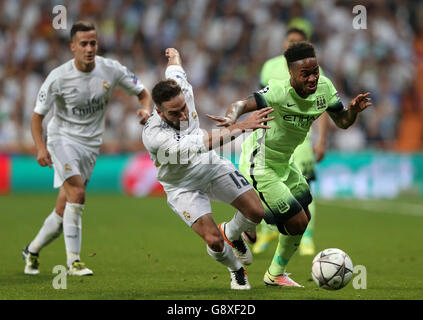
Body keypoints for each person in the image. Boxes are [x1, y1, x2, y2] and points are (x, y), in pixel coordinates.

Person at [208, 41, 372, 287]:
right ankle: (231, 232)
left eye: (315, 71)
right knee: (293, 220)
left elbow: (343, 122)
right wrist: (232, 116)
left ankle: (275, 275)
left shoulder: (325, 88)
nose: (312, 78)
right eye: (304, 74)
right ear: (291, 74)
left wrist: (353, 111)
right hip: (260, 162)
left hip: (285, 163)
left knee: (303, 219)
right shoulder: (278, 91)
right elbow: (242, 104)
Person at [22, 21, 153, 276]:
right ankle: (74, 262)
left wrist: (146, 110)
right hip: (61, 140)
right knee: (78, 194)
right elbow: (37, 117)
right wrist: (40, 148)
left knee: (63, 209)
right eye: (83, 43)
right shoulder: (58, 78)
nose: (89, 48)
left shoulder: (111, 69)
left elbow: (143, 92)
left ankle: (32, 249)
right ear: (73, 47)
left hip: (91, 146)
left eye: (93, 43)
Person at [142, 48, 274, 290]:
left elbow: (174, 67)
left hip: (211, 166)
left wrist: (174, 55)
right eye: (174, 112)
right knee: (213, 240)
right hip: (181, 185)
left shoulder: (181, 87)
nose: (183, 113)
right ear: (159, 112)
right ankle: (236, 270)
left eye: (184, 107)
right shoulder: (154, 136)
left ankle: (232, 233)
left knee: (257, 212)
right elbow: (202, 143)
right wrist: (243, 126)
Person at [251, 27, 329, 256]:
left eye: (298, 41)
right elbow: (260, 99)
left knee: (304, 186)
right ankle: (266, 231)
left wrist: (322, 138)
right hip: (271, 136)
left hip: (301, 137)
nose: (292, 44)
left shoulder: (314, 69)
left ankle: (306, 238)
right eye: (290, 40)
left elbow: (322, 106)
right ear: (284, 43)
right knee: (264, 184)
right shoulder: (269, 66)